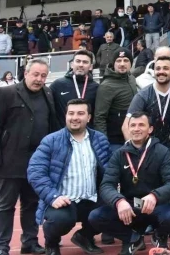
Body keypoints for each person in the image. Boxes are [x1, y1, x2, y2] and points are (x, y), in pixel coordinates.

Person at [0, 59, 57, 255]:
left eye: (43, 76)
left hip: (38, 162)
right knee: (6, 206)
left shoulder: (48, 94)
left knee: (32, 204)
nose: (39, 79)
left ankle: (30, 242)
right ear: (26, 73)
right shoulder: (6, 93)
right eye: (35, 74)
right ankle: (1, 246)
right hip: (9, 161)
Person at [88, 112, 170, 253]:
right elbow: (106, 185)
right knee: (95, 217)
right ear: (128, 128)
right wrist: (119, 201)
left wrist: (155, 196)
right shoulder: (119, 154)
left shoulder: (162, 152)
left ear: (150, 129)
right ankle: (132, 238)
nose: (136, 129)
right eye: (133, 125)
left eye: (141, 125)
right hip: (131, 203)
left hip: (155, 204)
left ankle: (159, 235)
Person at [27, 99, 110, 255]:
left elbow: (109, 170)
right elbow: (35, 171)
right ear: (66, 116)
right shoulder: (51, 140)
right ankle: (51, 243)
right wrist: (53, 196)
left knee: (116, 208)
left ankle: (84, 236)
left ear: (89, 117)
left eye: (80, 113)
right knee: (61, 220)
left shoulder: (100, 139)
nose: (75, 117)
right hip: (63, 200)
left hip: (92, 198)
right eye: (71, 113)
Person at [127, 57, 170, 147]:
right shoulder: (144, 95)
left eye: (165, 68)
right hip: (146, 147)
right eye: (158, 68)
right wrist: (134, 150)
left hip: (166, 145)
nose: (161, 71)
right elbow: (126, 125)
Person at [93, 48, 138, 153]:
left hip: (133, 136)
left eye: (126, 60)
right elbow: (99, 117)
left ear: (131, 64)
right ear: (113, 63)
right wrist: (104, 144)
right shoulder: (106, 86)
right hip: (115, 142)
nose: (122, 64)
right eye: (118, 61)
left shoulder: (131, 78)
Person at [49, 51, 98, 128]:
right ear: (72, 64)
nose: (81, 65)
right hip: (63, 133)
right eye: (78, 61)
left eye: (85, 62)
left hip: (87, 133)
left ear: (91, 67)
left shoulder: (96, 88)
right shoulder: (57, 85)